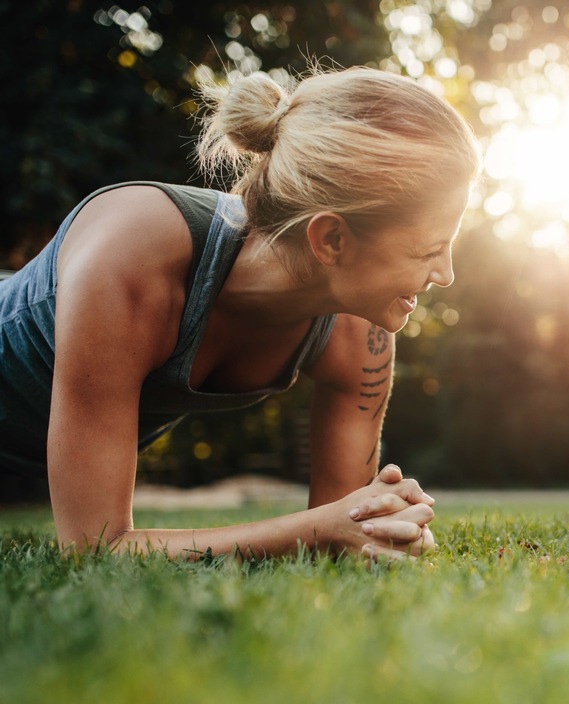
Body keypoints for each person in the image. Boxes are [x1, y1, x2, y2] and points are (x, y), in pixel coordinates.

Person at [0, 66, 480, 560]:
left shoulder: (361, 332)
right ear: (331, 239)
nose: (445, 274)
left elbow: (347, 528)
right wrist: (317, 528)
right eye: (429, 249)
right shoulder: (131, 255)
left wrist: (384, 526)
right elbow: (92, 548)